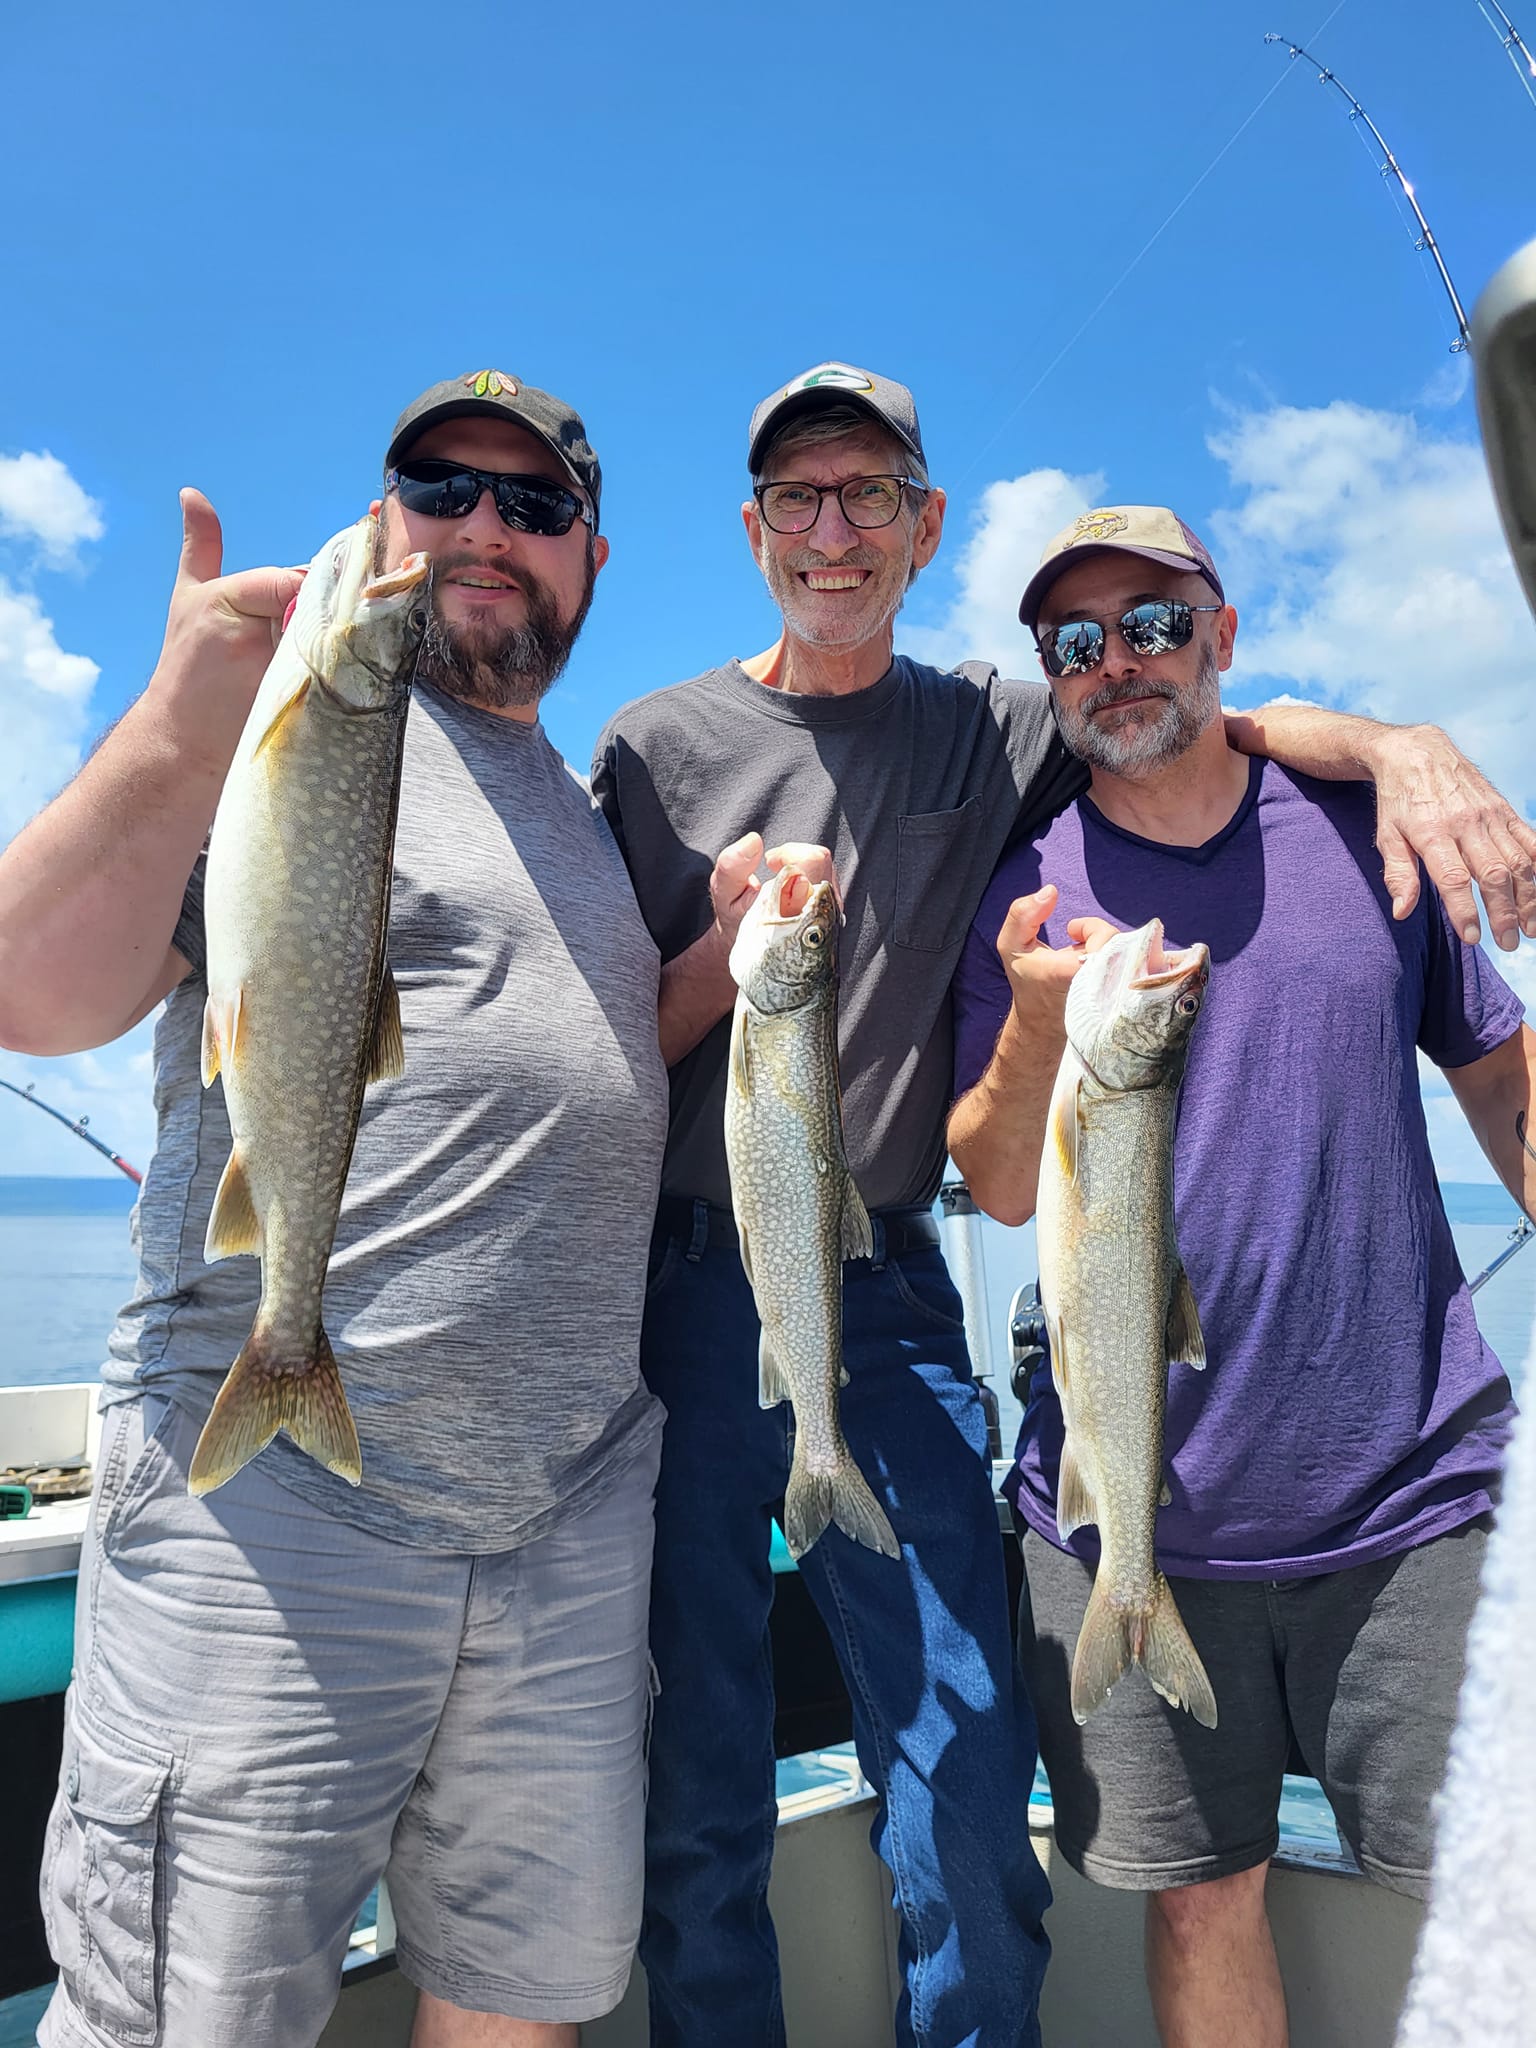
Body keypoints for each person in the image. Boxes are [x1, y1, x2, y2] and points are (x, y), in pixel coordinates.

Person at [591, 370, 1536, 2048]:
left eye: (868, 494)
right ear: (750, 532)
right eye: (797, 501)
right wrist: (725, 960)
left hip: (883, 1292)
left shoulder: (996, 726)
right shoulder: (654, 751)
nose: (832, 532)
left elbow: (1219, 732)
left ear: (923, 523)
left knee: (966, 1748)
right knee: (702, 1765)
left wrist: (1398, 744)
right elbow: (596, 1043)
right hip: (685, 1282)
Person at [0, 372, 667, 2048]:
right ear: (381, 522)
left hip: (564, 1520)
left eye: (532, 505)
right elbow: (30, 988)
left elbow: (577, 1061)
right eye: (442, 486)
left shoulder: (585, 812)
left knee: (521, 2004)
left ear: (592, 556)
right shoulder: (270, 728)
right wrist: (178, 709)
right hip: (278, 1516)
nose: (483, 530)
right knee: (193, 2021)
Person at [947, 504, 1535, 2048]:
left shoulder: (1359, 829)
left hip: (1408, 1499)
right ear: (1050, 680)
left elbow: (1500, 1082)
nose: (1118, 662)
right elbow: (997, 1182)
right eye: (1077, 643)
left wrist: (1389, 742)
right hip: (1133, 1515)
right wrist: (1025, 1018)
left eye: (1152, 621)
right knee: (1201, 1899)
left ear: (1221, 632)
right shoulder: (1025, 890)